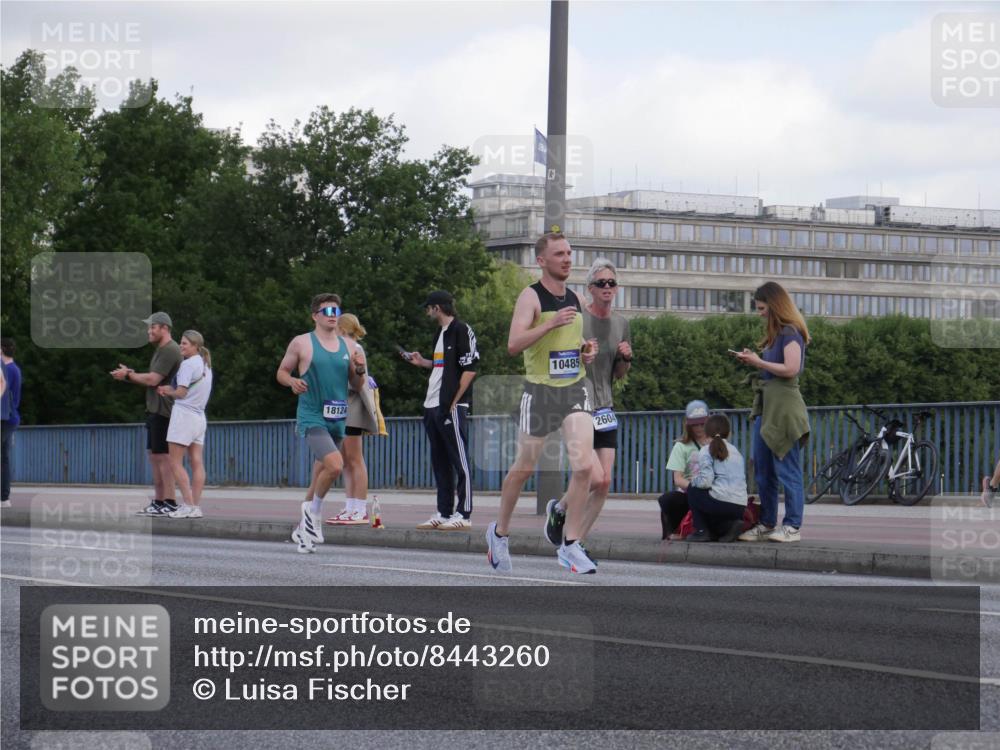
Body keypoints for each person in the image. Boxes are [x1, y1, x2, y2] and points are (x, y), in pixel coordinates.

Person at [486, 232, 598, 574]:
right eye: (559, 254)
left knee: (584, 468)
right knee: (524, 468)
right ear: (542, 260)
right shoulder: (530, 297)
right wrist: (550, 323)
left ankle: (570, 543)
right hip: (540, 393)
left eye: (569, 253)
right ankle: (500, 534)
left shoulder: (577, 297)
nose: (567, 258)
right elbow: (514, 344)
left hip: (574, 389)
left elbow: (571, 340)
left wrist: (584, 350)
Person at [543, 258, 631, 551]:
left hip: (605, 408)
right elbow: (557, 359)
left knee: (604, 483)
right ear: (590, 288)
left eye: (612, 283)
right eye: (601, 283)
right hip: (579, 406)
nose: (608, 288)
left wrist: (625, 359)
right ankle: (559, 511)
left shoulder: (621, 323)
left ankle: (577, 542)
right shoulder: (578, 317)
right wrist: (579, 355)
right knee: (592, 476)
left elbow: (617, 375)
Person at [277, 293, 366, 553]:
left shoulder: (349, 347)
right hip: (312, 415)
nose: (332, 316)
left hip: (337, 417)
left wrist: (360, 369)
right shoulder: (302, 343)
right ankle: (313, 512)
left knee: (319, 475)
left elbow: (357, 385)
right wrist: (292, 381)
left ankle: (301, 530)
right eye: (327, 311)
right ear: (315, 315)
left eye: (336, 311)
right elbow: (282, 372)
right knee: (335, 465)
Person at [734, 282, 811, 543]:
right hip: (768, 409)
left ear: (775, 306)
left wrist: (757, 361)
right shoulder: (776, 335)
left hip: (784, 410)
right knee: (763, 467)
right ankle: (767, 522)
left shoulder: (791, 333)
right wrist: (756, 359)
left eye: (762, 308)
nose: (760, 313)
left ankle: (792, 526)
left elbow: (791, 368)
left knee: (787, 468)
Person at [403, 290, 479, 531]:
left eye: (429, 307)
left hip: (450, 405)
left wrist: (455, 401)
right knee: (440, 461)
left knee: (459, 460)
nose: (427, 312)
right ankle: (444, 511)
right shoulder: (440, 333)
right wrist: (423, 362)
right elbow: (441, 366)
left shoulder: (461, 329)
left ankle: (464, 513)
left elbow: (470, 368)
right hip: (432, 404)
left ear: (437, 308)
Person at [111, 313, 183, 517]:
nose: (149, 331)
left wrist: (128, 375)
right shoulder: (161, 350)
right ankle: (159, 502)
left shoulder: (170, 349)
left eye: (152, 327)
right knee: (156, 457)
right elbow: (152, 379)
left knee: (164, 458)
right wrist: (130, 375)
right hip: (155, 411)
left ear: (164, 328)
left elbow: (153, 380)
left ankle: (169, 502)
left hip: (164, 411)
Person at [324, 313, 381, 525]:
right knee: (346, 461)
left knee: (355, 459)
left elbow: (356, 379)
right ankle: (350, 506)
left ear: (341, 327)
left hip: (352, 405)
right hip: (341, 405)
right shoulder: (345, 346)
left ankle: (360, 508)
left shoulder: (351, 347)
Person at [156, 331, 213, 519]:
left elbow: (180, 393)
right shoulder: (206, 364)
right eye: (181, 343)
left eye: (185, 343)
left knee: (174, 461)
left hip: (184, 415)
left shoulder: (188, 364)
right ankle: (195, 506)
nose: (181, 346)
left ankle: (188, 504)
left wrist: (167, 391)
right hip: (199, 417)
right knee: (196, 462)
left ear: (196, 346)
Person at [686, 414, 749, 542]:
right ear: (729, 433)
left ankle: (701, 531)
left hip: (720, 504)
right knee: (715, 498)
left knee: (693, 489)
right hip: (740, 506)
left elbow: (705, 482)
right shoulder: (736, 451)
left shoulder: (705, 450)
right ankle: (730, 527)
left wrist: (693, 480)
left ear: (706, 432)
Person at [657, 400, 711, 539]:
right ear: (688, 425)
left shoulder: (717, 443)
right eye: (695, 424)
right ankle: (673, 530)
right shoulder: (681, 446)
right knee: (668, 499)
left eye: (702, 424)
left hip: (713, 491)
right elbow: (678, 479)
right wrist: (695, 488)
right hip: (690, 491)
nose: (699, 428)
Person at [1, 338, 22, 508]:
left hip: (4, 418)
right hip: (11, 417)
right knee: (4, 458)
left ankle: (4, 497)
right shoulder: (14, 369)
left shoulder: (6, 370)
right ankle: (4, 498)